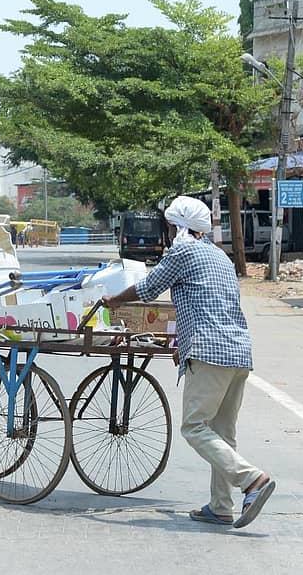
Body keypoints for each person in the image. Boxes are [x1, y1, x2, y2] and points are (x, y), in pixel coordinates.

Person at [102, 196, 275, 529]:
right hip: (239, 353)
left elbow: (149, 288)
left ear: (177, 227)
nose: (167, 232)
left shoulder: (183, 252)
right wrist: (183, 341)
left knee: (194, 427)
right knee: (223, 433)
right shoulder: (219, 257)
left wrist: (114, 299)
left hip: (210, 353)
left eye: (169, 225)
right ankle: (221, 506)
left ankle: (252, 480)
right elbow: (207, 302)